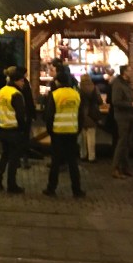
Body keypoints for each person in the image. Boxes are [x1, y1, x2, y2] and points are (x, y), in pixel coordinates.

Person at [43, 67, 85, 198]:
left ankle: (51, 188)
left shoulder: (55, 95)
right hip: (72, 132)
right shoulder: (76, 95)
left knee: (55, 162)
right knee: (73, 162)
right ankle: (76, 189)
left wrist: (50, 130)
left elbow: (49, 115)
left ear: (57, 82)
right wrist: (77, 129)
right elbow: (81, 115)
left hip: (58, 132)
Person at [0, 66, 26, 194]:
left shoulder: (2, 91)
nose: (23, 83)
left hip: (3, 128)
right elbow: (20, 114)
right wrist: (22, 128)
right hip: (14, 130)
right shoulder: (16, 94)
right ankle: (11, 185)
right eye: (22, 80)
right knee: (13, 159)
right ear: (17, 81)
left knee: (4, 156)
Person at [111, 65, 133, 179]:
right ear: (124, 72)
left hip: (129, 115)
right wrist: (130, 104)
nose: (131, 72)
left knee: (126, 143)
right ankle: (115, 168)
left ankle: (125, 167)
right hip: (122, 116)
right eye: (129, 70)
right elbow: (116, 101)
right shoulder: (118, 84)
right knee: (122, 142)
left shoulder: (125, 83)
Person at [13, 66, 36, 168]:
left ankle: (17, 160)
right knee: (25, 138)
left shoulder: (13, 84)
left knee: (18, 138)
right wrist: (32, 113)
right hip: (25, 114)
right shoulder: (25, 83)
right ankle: (25, 159)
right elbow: (29, 99)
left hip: (16, 115)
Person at [78, 73, 102, 162]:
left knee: (82, 137)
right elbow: (100, 101)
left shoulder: (79, 89)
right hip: (92, 114)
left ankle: (83, 154)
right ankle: (91, 156)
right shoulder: (94, 88)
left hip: (82, 115)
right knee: (91, 137)